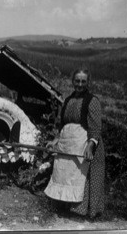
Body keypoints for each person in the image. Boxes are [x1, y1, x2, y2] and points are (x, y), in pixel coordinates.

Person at [44, 68, 105, 218]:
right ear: (73, 81)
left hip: (86, 145)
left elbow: (95, 127)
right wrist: (55, 141)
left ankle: (84, 211)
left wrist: (90, 146)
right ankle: (64, 207)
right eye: (77, 81)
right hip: (68, 144)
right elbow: (62, 124)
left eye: (83, 81)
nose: (79, 84)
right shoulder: (68, 100)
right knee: (65, 175)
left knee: (82, 176)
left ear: (88, 82)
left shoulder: (92, 101)